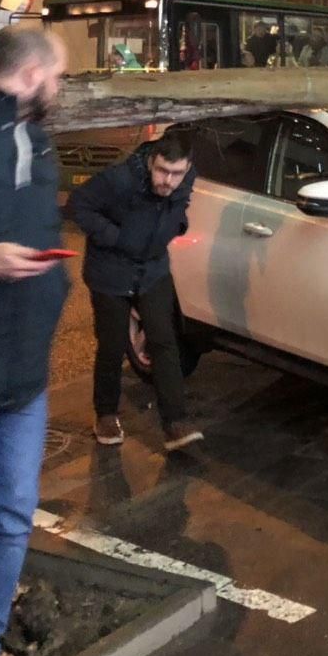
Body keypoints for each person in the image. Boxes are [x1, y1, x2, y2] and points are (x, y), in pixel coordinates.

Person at [0, 27, 69, 656]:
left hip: (23, 382)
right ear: (32, 73)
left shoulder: (38, 137)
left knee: (10, 522)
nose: (62, 89)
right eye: (58, 75)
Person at [65, 129, 203, 454]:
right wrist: (115, 237)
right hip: (110, 272)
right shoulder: (120, 179)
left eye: (176, 174)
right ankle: (106, 415)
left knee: (164, 340)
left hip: (152, 269)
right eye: (162, 171)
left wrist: (177, 224)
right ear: (152, 159)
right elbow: (79, 205)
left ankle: (175, 423)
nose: (168, 181)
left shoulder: (186, 177)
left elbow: (179, 204)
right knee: (112, 345)